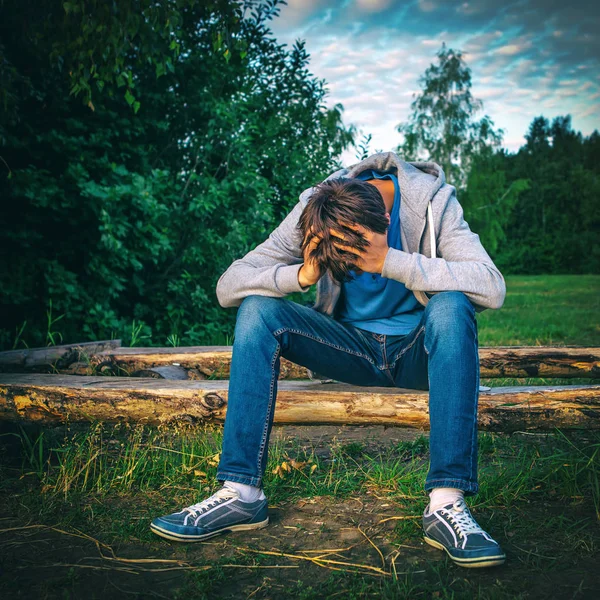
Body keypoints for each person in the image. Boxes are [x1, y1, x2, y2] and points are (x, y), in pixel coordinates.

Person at [151, 151, 507, 568]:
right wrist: (298, 276)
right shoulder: (316, 209)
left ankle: (446, 502)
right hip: (348, 349)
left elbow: (491, 285)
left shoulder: (433, 203)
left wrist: (389, 261)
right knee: (257, 310)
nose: (351, 261)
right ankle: (241, 494)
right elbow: (228, 285)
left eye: (356, 251)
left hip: (419, 354)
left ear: (385, 225)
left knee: (450, 306)